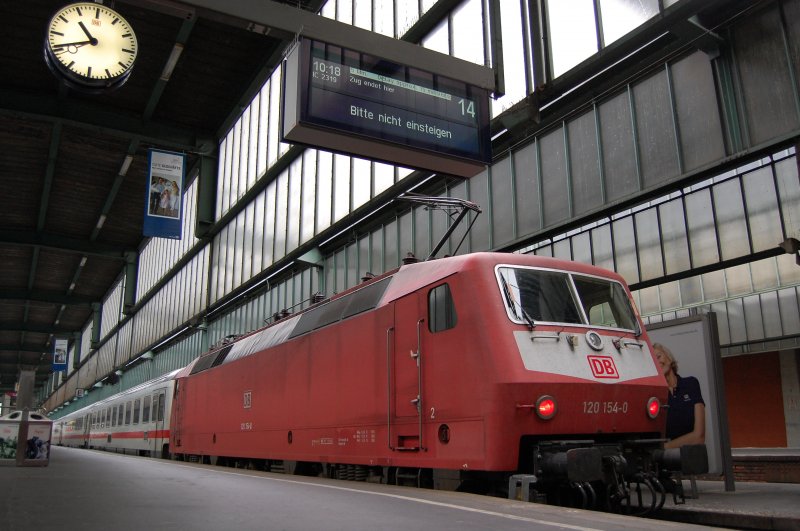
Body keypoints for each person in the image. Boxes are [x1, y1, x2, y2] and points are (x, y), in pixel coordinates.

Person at [653, 342, 705, 449]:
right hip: (667, 462)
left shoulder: (691, 383)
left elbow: (699, 436)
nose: (657, 362)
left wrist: (665, 447)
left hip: (693, 459)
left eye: (658, 356)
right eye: (653, 361)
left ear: (669, 358)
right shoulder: (655, 395)